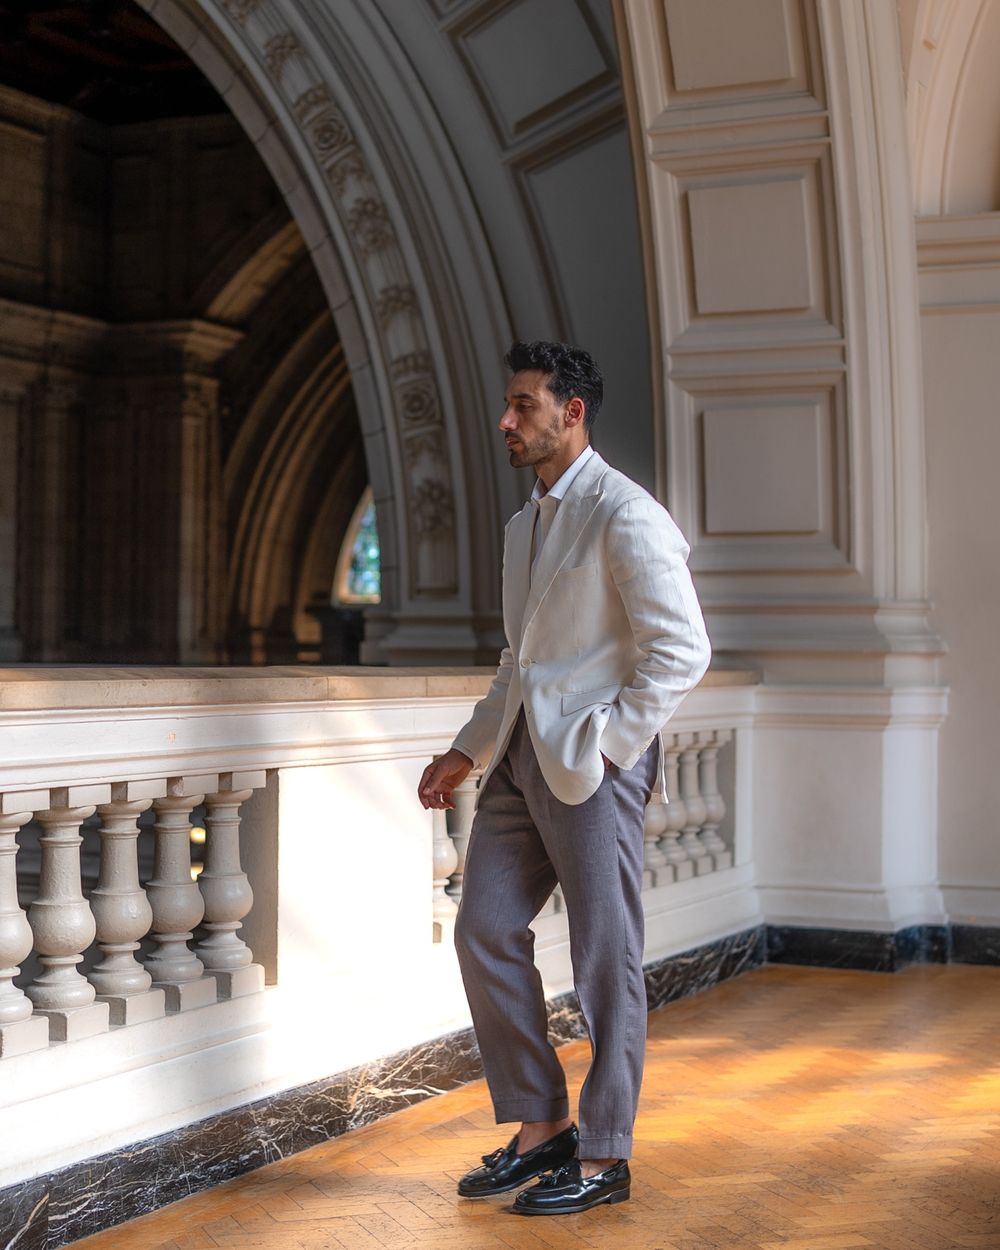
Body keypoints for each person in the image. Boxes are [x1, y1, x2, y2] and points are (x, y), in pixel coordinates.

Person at [417, 340, 710, 1216]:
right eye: (508, 406)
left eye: (523, 405)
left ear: (571, 411)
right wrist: (469, 747)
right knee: (485, 931)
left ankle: (607, 1151)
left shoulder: (627, 514)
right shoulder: (524, 527)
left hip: (592, 769)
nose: (506, 422)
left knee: (605, 959)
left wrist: (613, 745)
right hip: (514, 763)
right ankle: (543, 1126)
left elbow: (682, 649)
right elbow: (522, 659)